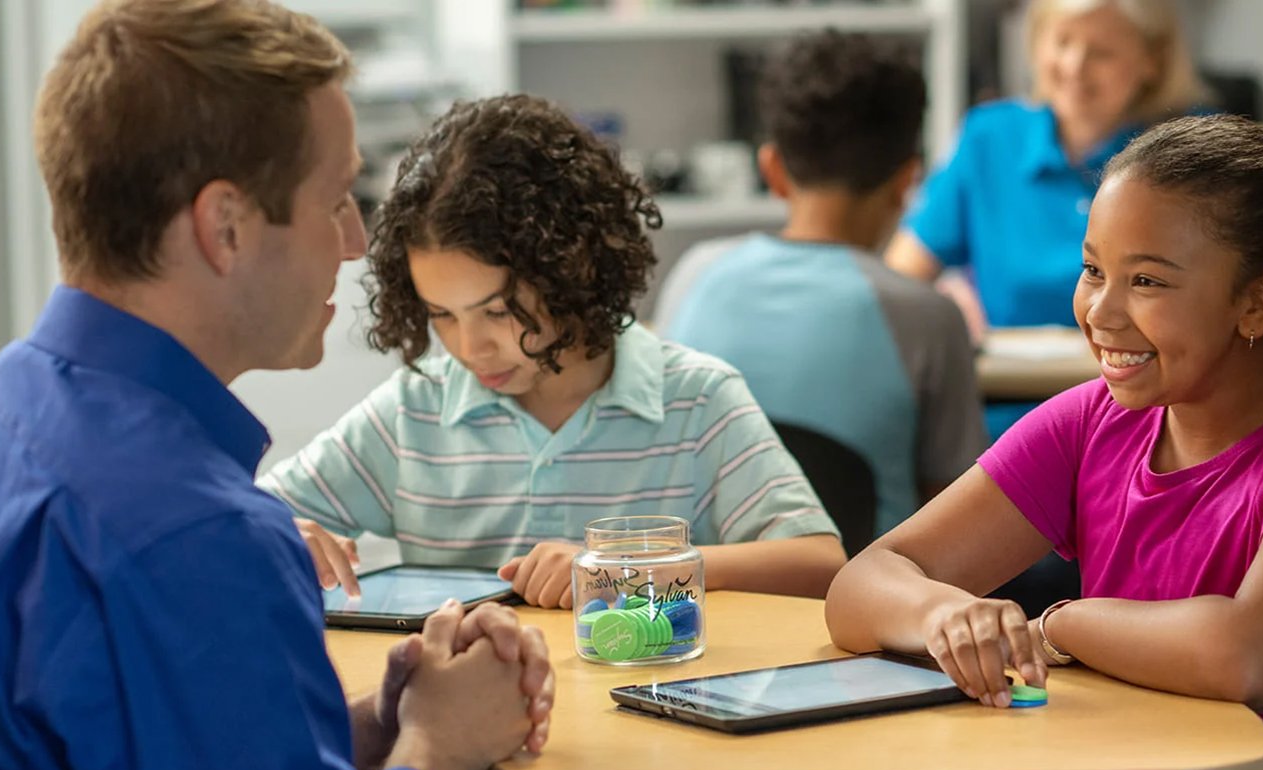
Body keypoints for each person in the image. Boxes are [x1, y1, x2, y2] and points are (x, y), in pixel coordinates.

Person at [0, 2, 553, 770]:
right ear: (226, 227)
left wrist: (390, 722)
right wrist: (439, 754)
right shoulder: (196, 538)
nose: (356, 243)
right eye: (337, 199)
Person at [824, 115, 1263, 770]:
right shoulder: (1086, 424)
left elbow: (1253, 656)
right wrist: (942, 615)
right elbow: (862, 584)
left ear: (1260, 301)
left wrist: (1059, 626)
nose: (1100, 311)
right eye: (1094, 269)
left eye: (1148, 281)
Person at [262, 95, 843, 611]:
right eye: (441, 314)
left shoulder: (696, 400)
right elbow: (248, 514)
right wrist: (278, 530)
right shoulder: (414, 409)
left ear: (572, 270)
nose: (469, 348)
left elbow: (820, 566)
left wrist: (630, 571)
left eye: (497, 311)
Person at [655, 30, 987, 544]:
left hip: (703, 605)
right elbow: (958, 519)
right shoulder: (928, 317)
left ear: (772, 170)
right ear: (908, 182)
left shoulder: (695, 274)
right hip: (865, 612)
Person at [885, 0, 1212, 340]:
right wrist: (942, 294)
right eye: (1062, 42)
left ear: (1153, 60)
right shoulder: (990, 137)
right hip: (1009, 387)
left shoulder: (1193, 147)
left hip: (1149, 389)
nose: (1074, 66)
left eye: (1101, 52)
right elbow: (900, 277)